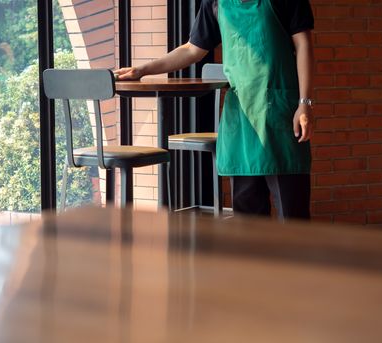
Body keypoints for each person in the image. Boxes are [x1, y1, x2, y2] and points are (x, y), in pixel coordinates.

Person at [115, 0, 315, 220]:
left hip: (280, 113)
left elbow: (303, 44)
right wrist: (144, 69)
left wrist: (304, 103)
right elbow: (192, 49)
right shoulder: (215, 3)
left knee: (293, 217)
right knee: (247, 221)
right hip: (241, 117)